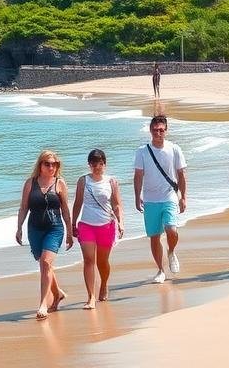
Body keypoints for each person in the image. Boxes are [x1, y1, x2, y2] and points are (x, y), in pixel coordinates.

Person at [16, 149, 73, 319]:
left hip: (54, 228)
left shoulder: (60, 183)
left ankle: (43, 305)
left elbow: (65, 209)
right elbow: (24, 207)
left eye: (54, 164)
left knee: (46, 262)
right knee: (44, 265)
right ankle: (58, 294)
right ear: (40, 165)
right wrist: (18, 228)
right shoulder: (30, 183)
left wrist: (70, 232)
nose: (51, 167)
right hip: (34, 228)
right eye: (47, 164)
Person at [133, 114, 187, 284]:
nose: (158, 133)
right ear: (150, 130)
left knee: (172, 230)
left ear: (166, 131)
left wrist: (183, 197)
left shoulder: (174, 149)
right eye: (155, 130)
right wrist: (137, 196)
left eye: (161, 130)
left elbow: (181, 174)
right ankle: (160, 270)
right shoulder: (142, 151)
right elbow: (138, 175)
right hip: (150, 199)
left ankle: (171, 251)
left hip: (169, 196)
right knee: (154, 236)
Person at [70, 148, 124, 309]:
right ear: (89, 165)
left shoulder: (111, 182)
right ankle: (91, 297)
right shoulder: (83, 181)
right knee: (88, 260)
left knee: (102, 261)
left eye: (100, 163)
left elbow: (116, 204)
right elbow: (78, 203)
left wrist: (121, 223)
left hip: (106, 225)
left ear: (104, 164)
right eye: (93, 163)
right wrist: (73, 223)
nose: (96, 166)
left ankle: (104, 283)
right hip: (86, 225)